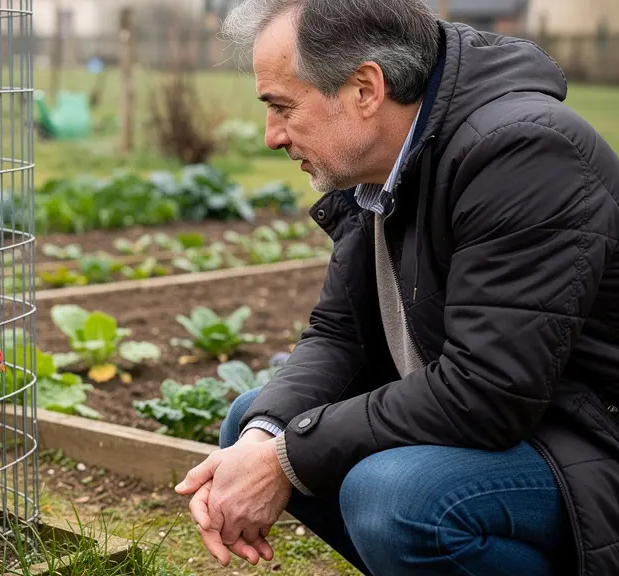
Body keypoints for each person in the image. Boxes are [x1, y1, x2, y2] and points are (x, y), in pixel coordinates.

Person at [173, 1, 619, 575]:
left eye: (283, 107)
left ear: (365, 89)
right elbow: (339, 336)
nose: (271, 136)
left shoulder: (523, 153)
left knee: (394, 499)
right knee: (250, 422)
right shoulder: (392, 159)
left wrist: (286, 460)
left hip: (586, 443)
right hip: (520, 429)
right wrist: (268, 438)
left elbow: (487, 391)